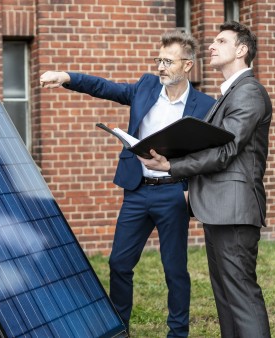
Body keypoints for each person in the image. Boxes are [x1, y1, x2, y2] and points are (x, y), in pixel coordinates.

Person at [40, 31, 215, 337]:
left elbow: (210, 153)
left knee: (175, 271)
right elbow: (104, 87)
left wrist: (193, 191)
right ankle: (120, 328)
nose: (160, 67)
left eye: (168, 61)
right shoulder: (146, 87)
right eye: (158, 60)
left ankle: (178, 332)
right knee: (119, 263)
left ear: (188, 66)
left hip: (174, 193)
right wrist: (66, 76)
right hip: (137, 191)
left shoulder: (205, 105)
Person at [142, 21, 272, 337]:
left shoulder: (249, 93)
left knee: (240, 295)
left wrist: (172, 165)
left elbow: (226, 151)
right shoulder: (230, 94)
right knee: (226, 298)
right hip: (219, 209)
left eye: (221, 41)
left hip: (234, 210)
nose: (211, 46)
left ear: (241, 50)